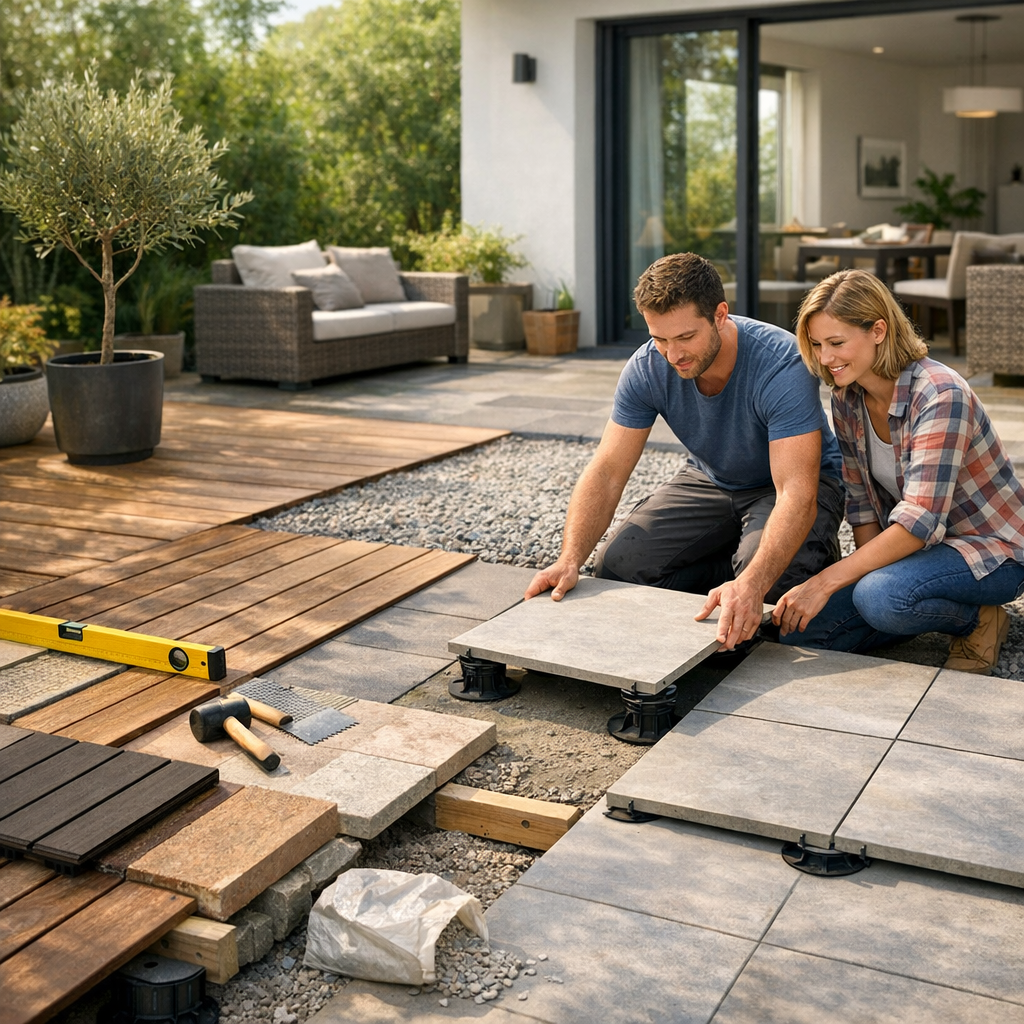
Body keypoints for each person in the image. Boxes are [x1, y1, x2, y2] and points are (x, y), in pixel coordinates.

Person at [524, 252, 846, 651]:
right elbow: (607, 471)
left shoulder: (781, 364)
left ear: (720, 315)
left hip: (790, 486)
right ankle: (735, 562)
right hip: (710, 480)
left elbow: (796, 493)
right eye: (659, 338)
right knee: (616, 566)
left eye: (685, 337)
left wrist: (752, 581)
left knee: (766, 587)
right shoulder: (646, 368)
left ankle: (795, 558)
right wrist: (569, 559)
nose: (673, 354)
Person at [772, 268, 1024, 673]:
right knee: (803, 631)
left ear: (878, 330)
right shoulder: (846, 398)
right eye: (817, 344)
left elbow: (919, 522)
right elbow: (862, 504)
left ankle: (979, 618)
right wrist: (852, 582)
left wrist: (827, 581)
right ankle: (906, 601)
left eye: (837, 342)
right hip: (922, 551)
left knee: (880, 596)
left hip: (991, 551)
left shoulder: (941, 395)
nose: (825, 358)